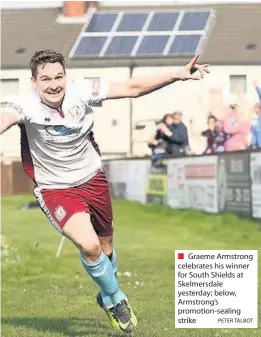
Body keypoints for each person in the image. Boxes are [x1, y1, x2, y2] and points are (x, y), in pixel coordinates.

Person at [0, 50, 209, 333]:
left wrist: (177, 74)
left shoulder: (82, 91)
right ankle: (116, 299)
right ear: (34, 81)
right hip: (56, 189)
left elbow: (131, 88)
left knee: (106, 248)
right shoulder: (23, 104)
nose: (53, 85)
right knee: (90, 246)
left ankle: (105, 293)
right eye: (45, 79)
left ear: (66, 76)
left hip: (93, 179)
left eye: (58, 76)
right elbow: (4, 118)